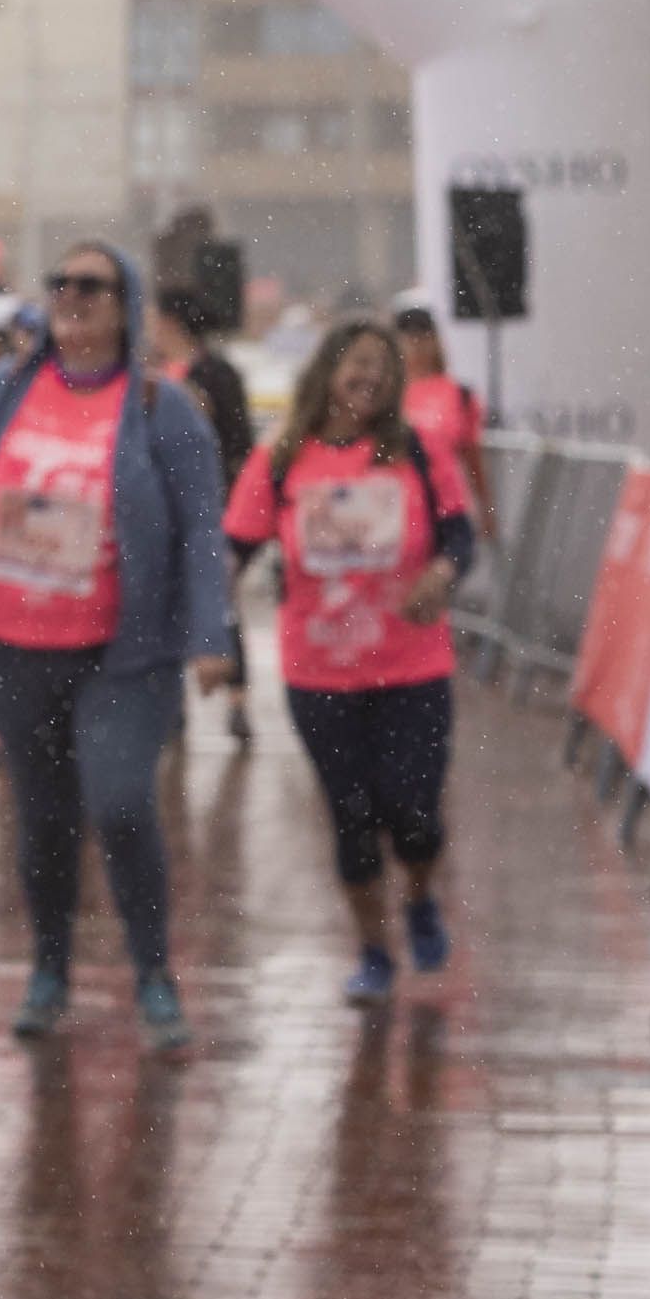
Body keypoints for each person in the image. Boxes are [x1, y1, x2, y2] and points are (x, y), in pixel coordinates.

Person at [0, 241, 233, 1053]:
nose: (73, 297)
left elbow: (200, 530)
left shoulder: (162, 405)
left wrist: (208, 637)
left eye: (93, 285)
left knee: (120, 803)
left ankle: (153, 973)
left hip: (124, 648)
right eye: (61, 283)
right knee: (44, 818)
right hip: (15, 645)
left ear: (126, 304)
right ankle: (49, 969)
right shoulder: (1, 389)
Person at [229, 315, 472, 1007]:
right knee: (353, 817)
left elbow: (460, 533)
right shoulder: (280, 460)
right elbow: (234, 548)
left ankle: (420, 895)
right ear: (327, 371)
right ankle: (373, 949)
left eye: (384, 367)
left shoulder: (418, 451)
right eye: (356, 363)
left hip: (413, 666)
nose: (370, 377)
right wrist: (203, 626)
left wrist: (445, 573)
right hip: (320, 673)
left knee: (415, 812)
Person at [148, 286, 259, 747]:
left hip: (214, 512)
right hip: (159, 514)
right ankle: (172, 707)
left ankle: (237, 701)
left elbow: (239, 444)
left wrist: (231, 505)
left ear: (172, 321)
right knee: (163, 606)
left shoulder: (216, 373)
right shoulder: (151, 374)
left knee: (221, 601)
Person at [393, 300, 495, 546]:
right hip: (398, 512)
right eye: (408, 336)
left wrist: (486, 510)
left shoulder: (459, 395)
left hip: (447, 510)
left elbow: (472, 459)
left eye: (424, 335)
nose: (417, 344)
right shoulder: (386, 394)